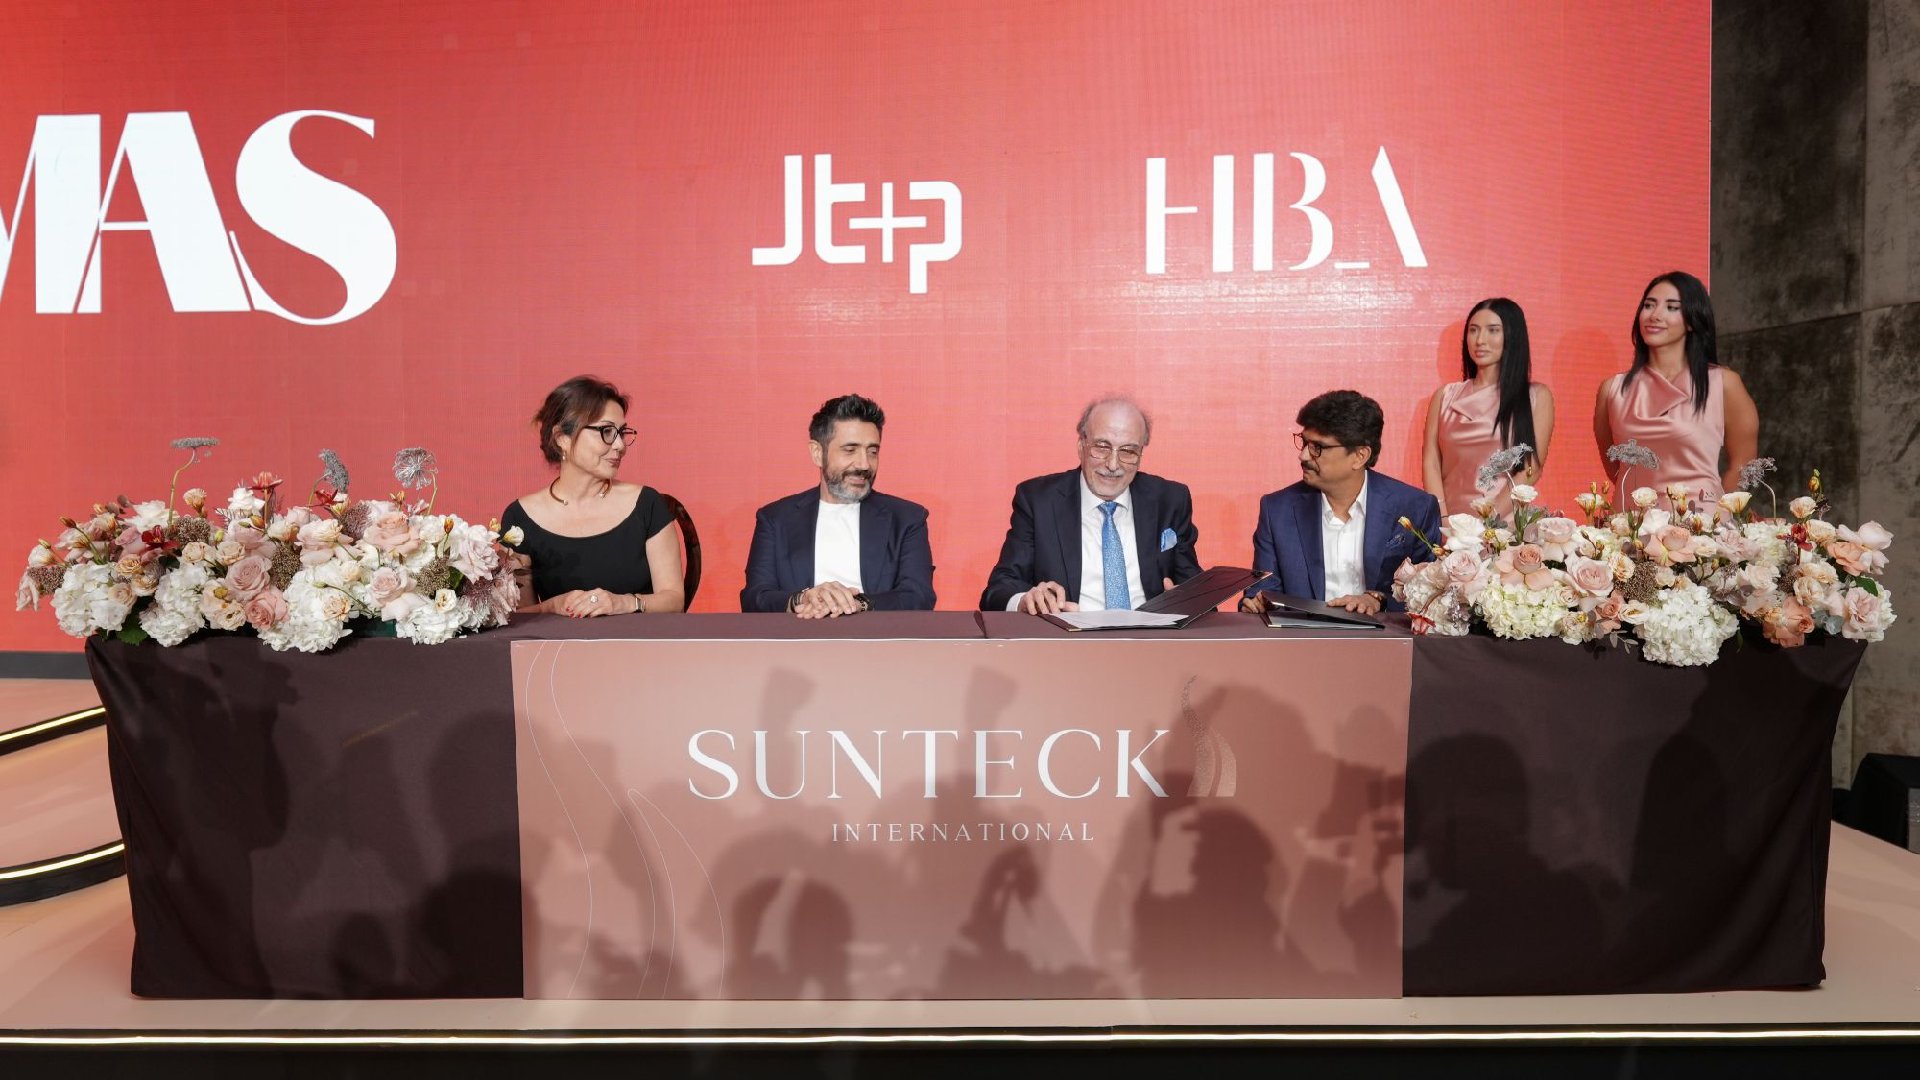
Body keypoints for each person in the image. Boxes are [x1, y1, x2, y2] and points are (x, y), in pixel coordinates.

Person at [980, 397, 1202, 614]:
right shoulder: (1039, 501)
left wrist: (1191, 600)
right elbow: (998, 590)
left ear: (1141, 454)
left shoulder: (1170, 500)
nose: (1113, 465)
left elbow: (1195, 587)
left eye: (1128, 451)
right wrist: (1025, 601)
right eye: (1102, 447)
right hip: (1069, 643)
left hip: (1153, 642)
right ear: (1081, 446)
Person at [500, 375, 685, 617]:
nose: (620, 445)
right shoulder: (520, 517)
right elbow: (516, 616)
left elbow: (673, 600)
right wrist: (554, 606)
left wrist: (624, 603)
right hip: (559, 652)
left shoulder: (647, 505)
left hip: (640, 649)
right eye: (606, 431)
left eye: (621, 432)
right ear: (561, 438)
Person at [1243, 390, 1441, 615]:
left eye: (1318, 447)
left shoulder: (1415, 507)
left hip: (1386, 643)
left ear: (1359, 456)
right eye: (1304, 442)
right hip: (1302, 643)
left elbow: (1431, 592)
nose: (1304, 456)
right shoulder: (1277, 510)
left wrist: (1379, 600)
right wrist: (1256, 603)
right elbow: (1261, 590)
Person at [740, 394, 936, 616]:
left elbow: (918, 596)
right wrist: (803, 598)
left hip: (878, 643)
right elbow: (755, 598)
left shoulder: (907, 518)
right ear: (817, 453)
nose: (864, 464)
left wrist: (857, 603)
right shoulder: (776, 518)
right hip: (798, 642)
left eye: (872, 451)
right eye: (850, 450)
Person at [1593, 271, 1759, 505]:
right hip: (1630, 529)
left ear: (1692, 320)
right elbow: (1614, 465)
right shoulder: (1613, 390)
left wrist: (1723, 516)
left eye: (1672, 308)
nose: (1655, 315)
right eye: (1649, 305)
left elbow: (1743, 465)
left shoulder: (1723, 384)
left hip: (1701, 528)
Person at [1423, 297, 1555, 516]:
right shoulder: (1444, 397)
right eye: (1473, 330)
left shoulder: (1536, 397)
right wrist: (1443, 520)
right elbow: (1431, 463)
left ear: (1512, 336)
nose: (1480, 340)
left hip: (1507, 528)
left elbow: (1530, 470)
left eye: (1493, 330)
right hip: (1451, 528)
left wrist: (1488, 523)